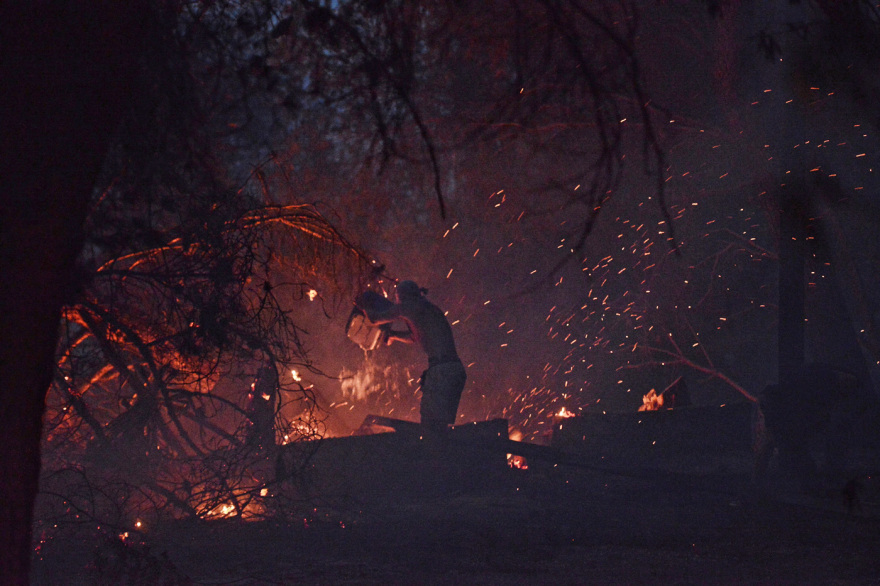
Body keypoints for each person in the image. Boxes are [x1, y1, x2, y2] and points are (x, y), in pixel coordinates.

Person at [356, 280, 466, 431]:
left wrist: (363, 306)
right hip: (454, 371)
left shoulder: (409, 306)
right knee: (439, 428)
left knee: (430, 427)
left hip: (442, 372)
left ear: (402, 296)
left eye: (397, 297)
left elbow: (375, 318)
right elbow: (415, 337)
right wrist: (393, 335)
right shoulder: (428, 308)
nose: (396, 301)